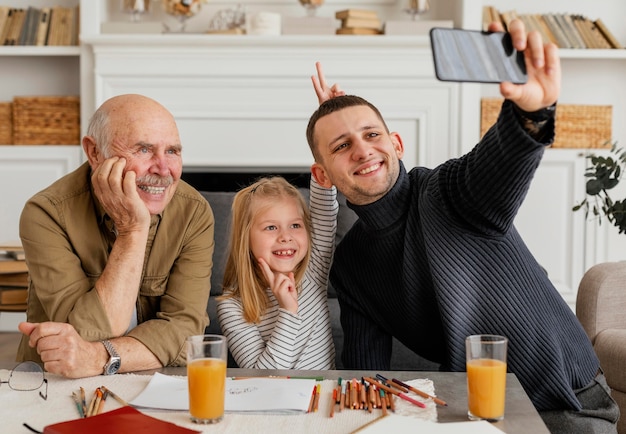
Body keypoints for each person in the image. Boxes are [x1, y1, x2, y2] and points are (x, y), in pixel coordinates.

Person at [305, 20, 619, 433]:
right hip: (471, 415)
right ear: (322, 175)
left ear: (396, 144)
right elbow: (369, 380)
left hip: (564, 405)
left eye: (371, 134)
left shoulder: (447, 191)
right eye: (342, 146)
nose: (363, 149)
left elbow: (499, 163)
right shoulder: (352, 265)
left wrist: (531, 111)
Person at [16, 94, 214, 378]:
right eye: (144, 149)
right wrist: (132, 230)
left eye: (172, 151)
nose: (163, 169)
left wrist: (100, 357)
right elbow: (81, 333)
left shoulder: (194, 212)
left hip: (154, 379)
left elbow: (185, 331)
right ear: (95, 153)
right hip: (53, 383)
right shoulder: (46, 213)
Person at [216, 176, 337, 369]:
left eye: (295, 225)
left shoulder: (313, 269)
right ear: (245, 238)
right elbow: (263, 377)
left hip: (321, 396)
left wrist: (322, 163)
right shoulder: (233, 306)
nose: (285, 237)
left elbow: (324, 204)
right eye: (271, 227)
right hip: (270, 397)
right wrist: (288, 311)